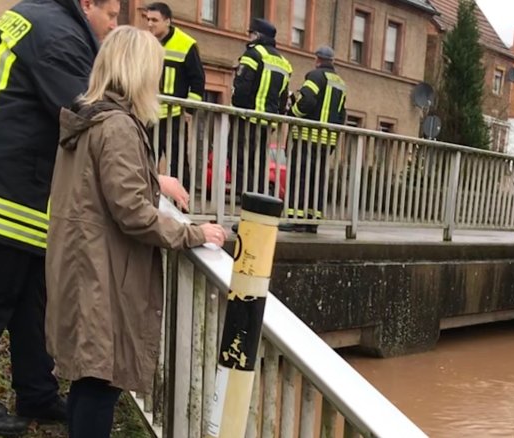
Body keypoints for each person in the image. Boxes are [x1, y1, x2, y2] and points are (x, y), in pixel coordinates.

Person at [0, 0, 119, 435]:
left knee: (30, 299)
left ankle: (37, 391)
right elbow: (88, 113)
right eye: (112, 14)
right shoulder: (59, 35)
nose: (113, 25)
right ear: (88, 4)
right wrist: (147, 174)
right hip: (5, 184)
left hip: (16, 178)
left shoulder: (44, 17)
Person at [45, 26, 227, 438]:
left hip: (82, 268)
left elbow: (104, 188)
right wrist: (194, 234)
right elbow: (133, 213)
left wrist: (153, 178)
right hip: (100, 276)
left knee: (88, 380)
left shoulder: (87, 119)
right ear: (139, 72)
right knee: (100, 384)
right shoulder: (119, 127)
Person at [282, 46, 347, 233]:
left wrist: (293, 113)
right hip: (327, 140)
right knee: (317, 179)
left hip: (307, 136)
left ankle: (296, 219)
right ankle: (313, 221)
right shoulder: (340, 83)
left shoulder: (315, 76)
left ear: (317, 60)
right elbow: (342, 113)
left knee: (300, 177)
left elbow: (307, 101)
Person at [144, 2, 205, 189]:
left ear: (167, 21)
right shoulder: (146, 42)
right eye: (147, 19)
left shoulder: (186, 44)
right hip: (148, 113)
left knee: (177, 163)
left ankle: (182, 205)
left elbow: (198, 80)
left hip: (174, 116)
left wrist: (189, 111)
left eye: (155, 20)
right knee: (144, 160)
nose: (150, 24)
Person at [231, 18, 292, 197]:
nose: (248, 37)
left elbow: (242, 87)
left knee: (240, 161)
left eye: (250, 33)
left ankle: (245, 205)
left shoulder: (253, 54)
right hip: (267, 123)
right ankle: (256, 207)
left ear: (257, 35)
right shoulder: (283, 62)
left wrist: (236, 108)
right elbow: (283, 98)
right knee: (258, 165)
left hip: (247, 118)